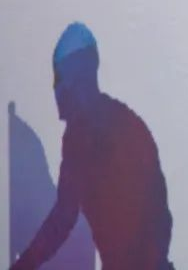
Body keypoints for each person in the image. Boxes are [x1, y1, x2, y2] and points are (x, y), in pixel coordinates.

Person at [11, 22, 175, 270]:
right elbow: (161, 217)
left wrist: (23, 265)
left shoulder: (80, 137)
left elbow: (62, 218)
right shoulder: (126, 123)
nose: (55, 88)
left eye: (58, 78)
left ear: (76, 76)